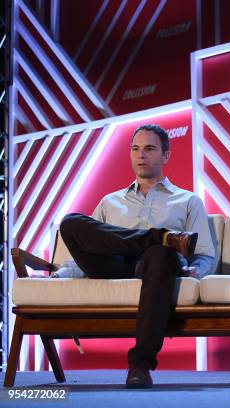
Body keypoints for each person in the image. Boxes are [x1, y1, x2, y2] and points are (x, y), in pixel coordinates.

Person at [58, 124, 216, 388]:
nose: (141, 154)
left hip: (157, 267)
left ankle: (140, 365)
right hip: (113, 265)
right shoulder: (110, 201)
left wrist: (197, 271)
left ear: (165, 156)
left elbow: (204, 253)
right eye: (135, 149)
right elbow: (91, 244)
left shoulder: (188, 201)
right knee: (70, 222)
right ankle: (157, 236)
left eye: (150, 149)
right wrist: (62, 272)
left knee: (161, 252)